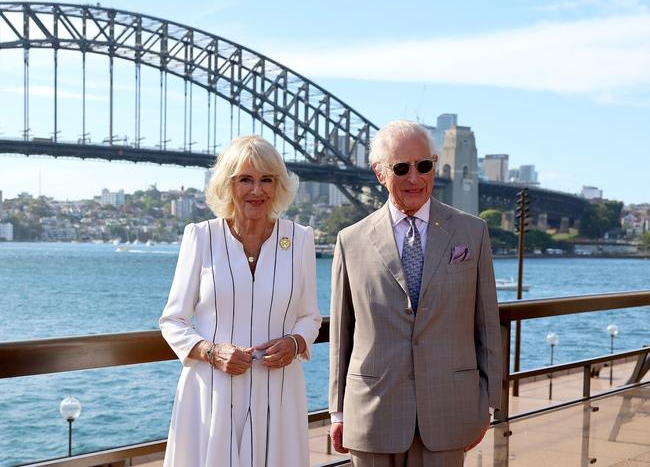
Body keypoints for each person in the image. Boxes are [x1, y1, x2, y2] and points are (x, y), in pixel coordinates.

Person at [328, 120, 501, 466]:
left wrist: (488, 402)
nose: (414, 177)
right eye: (401, 168)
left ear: (435, 166)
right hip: (372, 413)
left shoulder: (473, 232)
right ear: (380, 173)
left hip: (450, 410)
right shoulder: (351, 240)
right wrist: (337, 411)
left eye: (424, 166)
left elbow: (486, 325)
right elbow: (341, 334)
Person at [160, 135, 322, 467]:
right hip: (212, 391)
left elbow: (310, 317)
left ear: (279, 186)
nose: (256, 190)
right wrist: (209, 351)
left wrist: (294, 342)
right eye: (245, 179)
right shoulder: (201, 236)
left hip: (278, 390)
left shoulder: (300, 238)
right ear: (228, 184)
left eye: (267, 180)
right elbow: (172, 320)